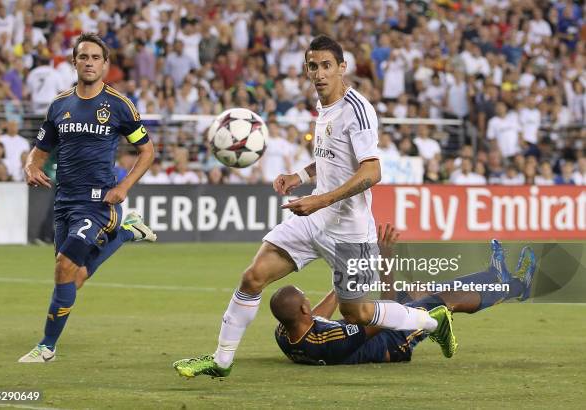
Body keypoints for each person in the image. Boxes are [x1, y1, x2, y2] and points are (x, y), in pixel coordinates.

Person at [173, 36, 455, 379]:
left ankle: (430, 320)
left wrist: (319, 199)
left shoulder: (358, 110)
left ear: (341, 68)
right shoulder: (323, 106)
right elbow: (331, 159)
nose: (319, 74)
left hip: (349, 228)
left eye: (326, 66)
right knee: (253, 276)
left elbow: (372, 170)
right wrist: (299, 175)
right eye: (312, 66)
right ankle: (220, 361)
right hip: (314, 219)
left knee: (359, 314)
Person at [18, 33, 156, 363]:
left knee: (63, 268)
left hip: (97, 203)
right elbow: (39, 150)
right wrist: (29, 166)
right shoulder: (59, 105)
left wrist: (124, 188)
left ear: (105, 65)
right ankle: (125, 232)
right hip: (64, 200)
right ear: (74, 62)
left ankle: (47, 347)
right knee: (74, 277)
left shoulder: (119, 106)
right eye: (84, 57)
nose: (90, 62)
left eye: (96, 57)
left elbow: (147, 151)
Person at [272, 226, 536, 366]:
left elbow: (318, 318)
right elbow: (387, 314)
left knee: (418, 290)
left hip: (366, 334)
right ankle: (516, 287)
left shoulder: (286, 332)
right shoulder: (335, 340)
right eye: (305, 299)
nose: (310, 303)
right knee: (448, 299)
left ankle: (493, 275)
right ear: (303, 311)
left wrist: (343, 281)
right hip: (392, 343)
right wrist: (386, 259)